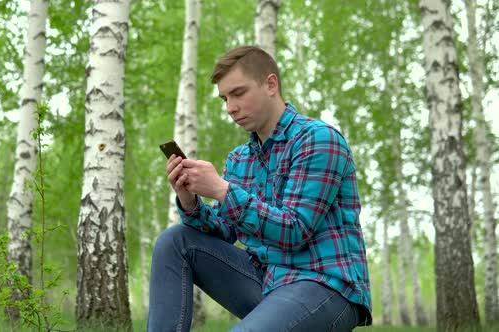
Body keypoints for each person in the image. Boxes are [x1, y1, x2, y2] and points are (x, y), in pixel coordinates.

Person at [148, 45, 372, 332]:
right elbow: (225, 232)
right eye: (225, 98)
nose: (230, 107)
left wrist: (221, 190)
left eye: (238, 93)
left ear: (270, 84)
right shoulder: (240, 158)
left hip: (323, 284)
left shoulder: (318, 140)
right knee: (174, 241)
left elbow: (294, 231)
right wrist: (189, 200)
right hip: (265, 280)